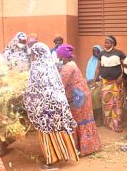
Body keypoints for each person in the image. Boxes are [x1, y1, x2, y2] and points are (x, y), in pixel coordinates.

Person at [24, 42, 79, 170]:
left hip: (45, 107)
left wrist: (26, 98)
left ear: (36, 54)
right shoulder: (51, 65)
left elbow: (34, 88)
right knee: (57, 131)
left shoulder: (37, 67)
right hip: (58, 105)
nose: (31, 56)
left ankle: (52, 162)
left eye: (32, 54)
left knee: (46, 133)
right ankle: (61, 156)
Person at [56, 44, 102, 156]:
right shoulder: (71, 64)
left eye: (59, 56)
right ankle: (89, 147)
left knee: (78, 121)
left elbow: (60, 84)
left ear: (63, 56)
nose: (59, 59)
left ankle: (81, 148)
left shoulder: (68, 67)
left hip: (78, 98)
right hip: (81, 95)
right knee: (84, 119)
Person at [92, 35, 126, 132]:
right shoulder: (101, 54)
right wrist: (94, 80)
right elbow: (98, 68)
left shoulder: (119, 53)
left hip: (116, 82)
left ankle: (117, 124)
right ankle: (109, 123)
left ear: (113, 43)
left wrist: (121, 77)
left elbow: (126, 67)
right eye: (105, 42)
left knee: (117, 103)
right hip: (105, 82)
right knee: (107, 103)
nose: (106, 44)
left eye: (108, 42)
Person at [86, 45, 103, 126]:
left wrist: (96, 80)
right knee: (86, 95)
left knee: (95, 95)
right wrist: (90, 81)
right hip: (90, 82)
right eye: (94, 51)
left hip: (100, 82)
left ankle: (99, 118)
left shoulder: (103, 61)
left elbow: (103, 73)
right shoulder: (91, 61)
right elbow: (88, 73)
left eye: (97, 51)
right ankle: (92, 118)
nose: (95, 52)